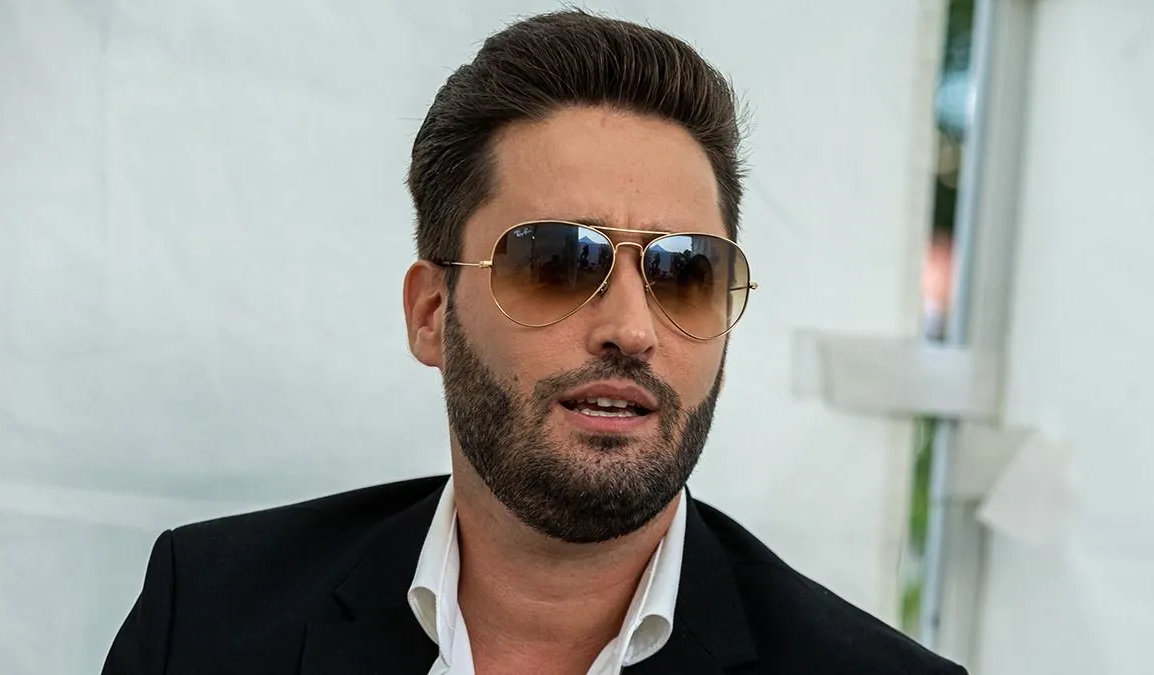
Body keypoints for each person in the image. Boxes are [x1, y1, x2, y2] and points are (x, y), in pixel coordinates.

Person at [103, 10, 968, 675]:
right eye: (557, 261)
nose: (632, 329)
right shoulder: (208, 619)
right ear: (431, 313)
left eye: (684, 272)